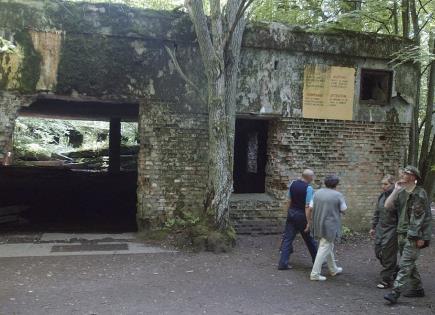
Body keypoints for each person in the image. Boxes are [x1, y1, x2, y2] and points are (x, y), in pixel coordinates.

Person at [383, 165, 432, 304]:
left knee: (405, 264)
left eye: (406, 173)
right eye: (403, 172)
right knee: (410, 262)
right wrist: (396, 191)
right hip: (401, 233)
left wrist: (422, 238)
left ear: (413, 177)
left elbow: (422, 218)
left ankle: (395, 293)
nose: (403, 175)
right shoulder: (401, 192)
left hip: (414, 235)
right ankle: (417, 288)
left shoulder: (420, 193)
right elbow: (387, 206)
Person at [309, 175, 347, 281]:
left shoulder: (317, 193)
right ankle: (315, 274)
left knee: (328, 245)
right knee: (324, 247)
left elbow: (311, 207)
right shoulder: (338, 195)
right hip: (330, 225)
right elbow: (344, 210)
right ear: (336, 184)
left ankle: (333, 269)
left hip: (318, 222)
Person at [278, 169, 317, 270]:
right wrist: (309, 222)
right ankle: (317, 261)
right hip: (302, 215)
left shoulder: (293, 184)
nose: (313, 178)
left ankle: (283, 263)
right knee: (309, 239)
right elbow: (307, 207)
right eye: (313, 176)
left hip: (292, 213)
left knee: (287, 239)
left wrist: (288, 214)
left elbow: (289, 200)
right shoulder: (309, 189)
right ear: (309, 177)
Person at [369, 174, 398, 289]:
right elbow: (377, 212)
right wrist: (373, 226)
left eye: (385, 184)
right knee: (378, 251)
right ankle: (394, 269)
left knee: (388, 254)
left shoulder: (397, 197)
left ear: (392, 184)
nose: (383, 186)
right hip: (381, 228)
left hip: (392, 229)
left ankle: (386, 280)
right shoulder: (381, 196)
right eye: (382, 184)